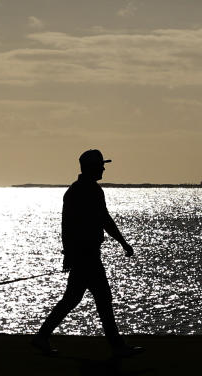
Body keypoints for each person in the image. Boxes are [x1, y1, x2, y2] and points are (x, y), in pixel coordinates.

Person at [31, 149, 144, 358]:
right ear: (91, 167)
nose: (103, 168)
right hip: (87, 256)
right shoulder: (89, 191)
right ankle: (117, 346)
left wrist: (69, 254)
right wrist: (123, 243)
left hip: (84, 255)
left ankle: (42, 336)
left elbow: (72, 225)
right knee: (102, 299)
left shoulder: (77, 191)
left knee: (73, 299)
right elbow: (101, 221)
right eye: (100, 165)